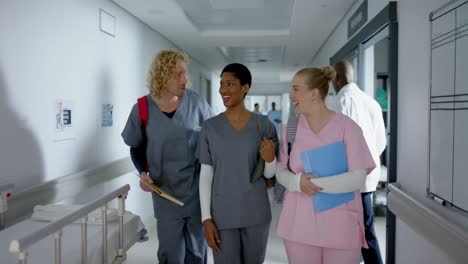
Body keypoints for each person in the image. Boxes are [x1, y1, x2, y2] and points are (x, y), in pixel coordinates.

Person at [274, 66, 375, 264]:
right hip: (299, 226)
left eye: (296, 89)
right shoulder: (291, 129)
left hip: (341, 227)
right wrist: (297, 182)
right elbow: (280, 169)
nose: (291, 95)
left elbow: (357, 178)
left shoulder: (348, 128)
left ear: (315, 93)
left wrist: (313, 185)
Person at [121, 49, 213, 263]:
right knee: (171, 253)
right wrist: (143, 173)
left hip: (196, 191)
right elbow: (135, 147)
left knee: (197, 252)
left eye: (185, 73)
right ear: (162, 76)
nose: (185, 80)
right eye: (178, 74)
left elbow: (213, 141)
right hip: (165, 192)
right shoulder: (142, 109)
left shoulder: (197, 103)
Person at [197, 63, 278, 263]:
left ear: (245, 87)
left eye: (230, 83)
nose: (223, 89)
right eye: (221, 84)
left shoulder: (264, 124)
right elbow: (206, 175)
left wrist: (271, 159)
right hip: (222, 214)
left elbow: (269, 175)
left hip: (256, 213)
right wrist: (206, 218)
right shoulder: (210, 127)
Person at [329, 60, 387, 264]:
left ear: (337, 78)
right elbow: (380, 142)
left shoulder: (339, 103)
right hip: (367, 180)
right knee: (366, 232)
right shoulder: (372, 103)